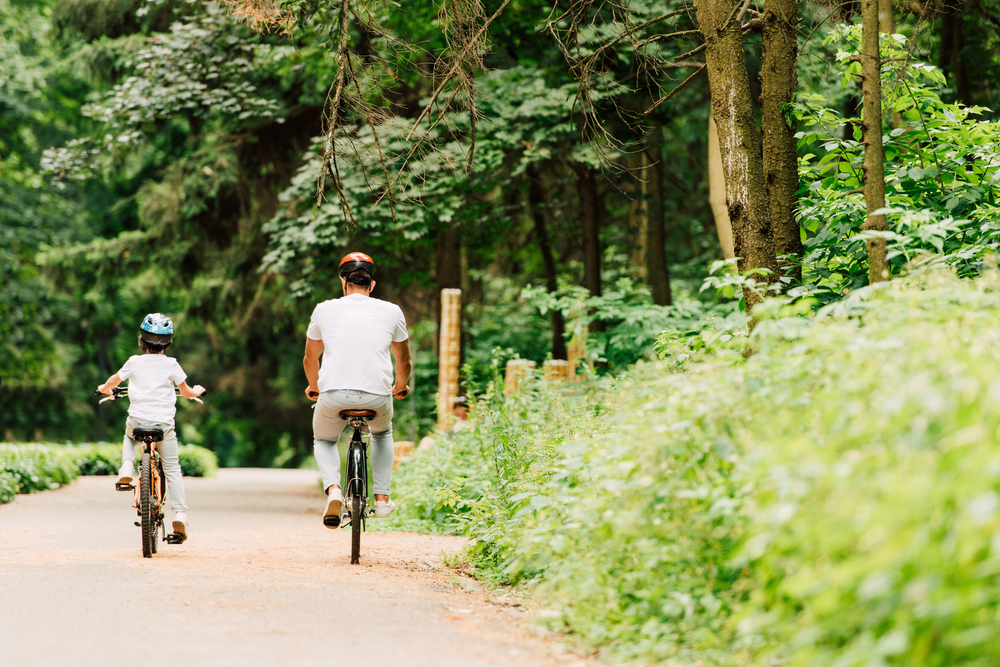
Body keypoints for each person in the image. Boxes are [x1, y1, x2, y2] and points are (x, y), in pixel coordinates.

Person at [303, 252, 411, 528]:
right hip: (377, 394)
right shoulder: (392, 310)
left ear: (343, 281)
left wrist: (314, 388)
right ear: (372, 285)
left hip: (334, 393)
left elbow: (310, 358)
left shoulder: (323, 309)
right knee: (382, 432)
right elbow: (404, 361)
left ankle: (334, 491)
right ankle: (383, 498)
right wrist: (399, 387)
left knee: (325, 440)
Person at [97, 313, 205, 541]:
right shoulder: (172, 364)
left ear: (142, 340)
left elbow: (114, 381)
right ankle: (181, 514)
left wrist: (105, 389)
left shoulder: (134, 361)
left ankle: (127, 467)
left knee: (129, 436)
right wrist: (196, 390)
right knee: (172, 467)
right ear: (169, 342)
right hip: (163, 425)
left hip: (138, 421)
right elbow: (185, 392)